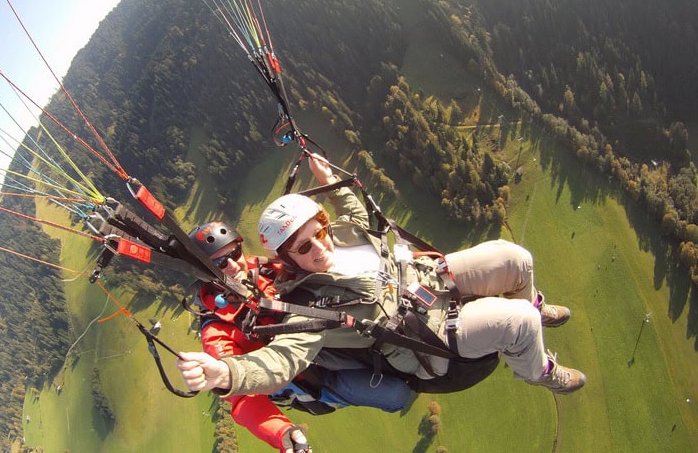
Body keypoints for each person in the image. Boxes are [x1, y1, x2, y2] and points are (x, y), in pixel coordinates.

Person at [177, 154, 586, 401]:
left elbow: (357, 218)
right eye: (303, 248)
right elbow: (282, 360)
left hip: (430, 280)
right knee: (518, 323)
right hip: (427, 337)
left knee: (515, 259)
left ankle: (533, 307)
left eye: (319, 231)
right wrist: (227, 374)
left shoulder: (340, 234)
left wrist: (329, 182)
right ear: (286, 258)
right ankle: (539, 372)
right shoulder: (306, 307)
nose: (319, 246)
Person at [186, 219, 412, 453]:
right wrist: (283, 434)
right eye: (220, 263)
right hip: (312, 376)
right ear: (204, 274)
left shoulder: (264, 269)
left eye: (235, 253)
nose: (234, 265)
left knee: (390, 343)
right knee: (396, 395)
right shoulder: (217, 331)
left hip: (321, 340)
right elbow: (242, 398)